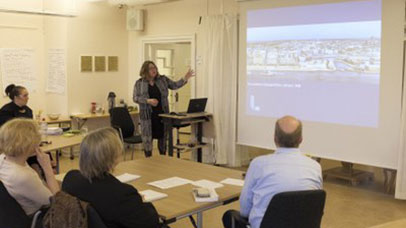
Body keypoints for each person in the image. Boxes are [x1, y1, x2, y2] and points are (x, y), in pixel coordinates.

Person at [222, 116, 323, 228]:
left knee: (229, 215)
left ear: (275, 139)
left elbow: (245, 210)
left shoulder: (259, 164)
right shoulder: (315, 167)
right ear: (301, 139)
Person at [62, 127, 160, 228]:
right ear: (112, 157)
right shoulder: (122, 194)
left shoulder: (70, 179)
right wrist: (140, 201)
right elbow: (150, 222)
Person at [133, 60, 194, 157]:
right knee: (148, 140)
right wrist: (148, 101)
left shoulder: (162, 79)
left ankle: (163, 158)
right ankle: (148, 161)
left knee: (162, 139)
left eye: (155, 68)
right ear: (145, 70)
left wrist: (185, 78)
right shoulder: (139, 83)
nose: (154, 70)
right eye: (151, 68)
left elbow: (174, 85)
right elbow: (135, 98)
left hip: (162, 115)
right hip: (148, 117)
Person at [0, 118, 59, 215]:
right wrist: (47, 167)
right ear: (28, 145)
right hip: (37, 217)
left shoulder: (3, 159)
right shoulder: (23, 176)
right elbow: (57, 201)